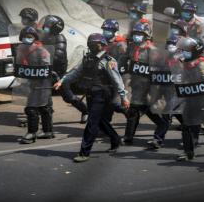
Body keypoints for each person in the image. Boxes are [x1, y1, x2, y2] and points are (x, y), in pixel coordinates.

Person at [54, 33, 130, 163]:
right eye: (91, 44)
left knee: (92, 123)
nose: (94, 46)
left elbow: (117, 80)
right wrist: (62, 81)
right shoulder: (87, 59)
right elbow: (75, 72)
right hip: (90, 93)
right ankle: (115, 139)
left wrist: (124, 97)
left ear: (103, 45)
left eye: (97, 44)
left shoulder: (108, 61)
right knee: (100, 120)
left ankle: (84, 152)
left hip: (102, 94)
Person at [173, 37, 204, 161]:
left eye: (186, 51)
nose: (183, 53)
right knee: (187, 126)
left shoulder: (202, 65)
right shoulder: (185, 62)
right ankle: (188, 152)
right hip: (191, 99)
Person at [122, 22, 170, 148]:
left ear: (146, 35)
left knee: (154, 114)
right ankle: (128, 137)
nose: (136, 36)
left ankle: (158, 137)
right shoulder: (132, 47)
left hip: (150, 88)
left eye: (140, 34)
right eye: (135, 34)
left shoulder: (152, 51)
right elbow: (125, 59)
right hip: (137, 86)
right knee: (133, 112)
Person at [41, 15, 89, 124]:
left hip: (57, 74)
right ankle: (45, 117)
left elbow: (58, 56)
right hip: (46, 71)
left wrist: (44, 57)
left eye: (48, 25)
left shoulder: (60, 38)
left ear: (55, 27)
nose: (45, 26)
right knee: (42, 95)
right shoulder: (45, 37)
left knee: (68, 97)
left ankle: (86, 111)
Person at [16, 26, 54, 144]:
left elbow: (46, 67)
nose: (27, 38)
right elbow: (19, 64)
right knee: (43, 107)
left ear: (35, 37)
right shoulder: (21, 48)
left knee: (31, 108)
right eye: (25, 36)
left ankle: (32, 133)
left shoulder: (41, 50)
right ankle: (47, 131)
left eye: (30, 36)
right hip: (30, 83)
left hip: (42, 83)